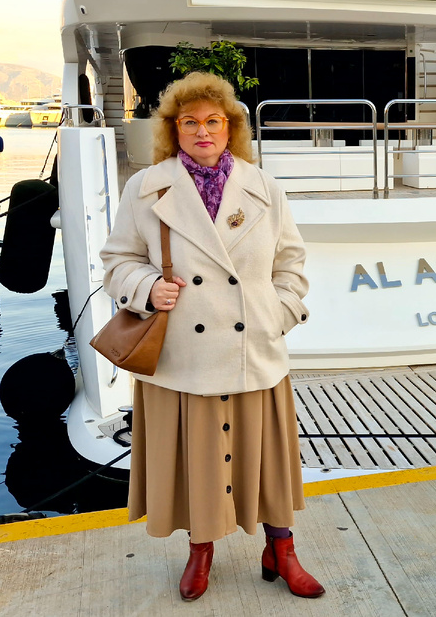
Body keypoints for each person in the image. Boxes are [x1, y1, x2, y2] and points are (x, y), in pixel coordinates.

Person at [100, 72, 322, 601]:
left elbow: (291, 262)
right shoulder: (146, 186)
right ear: (173, 129)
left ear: (231, 128)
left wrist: (277, 313)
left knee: (267, 462)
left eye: (214, 121)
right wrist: (146, 287)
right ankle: (200, 550)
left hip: (253, 349)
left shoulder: (263, 186)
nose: (203, 131)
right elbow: (117, 260)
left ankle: (282, 549)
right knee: (196, 461)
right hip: (184, 355)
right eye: (190, 122)